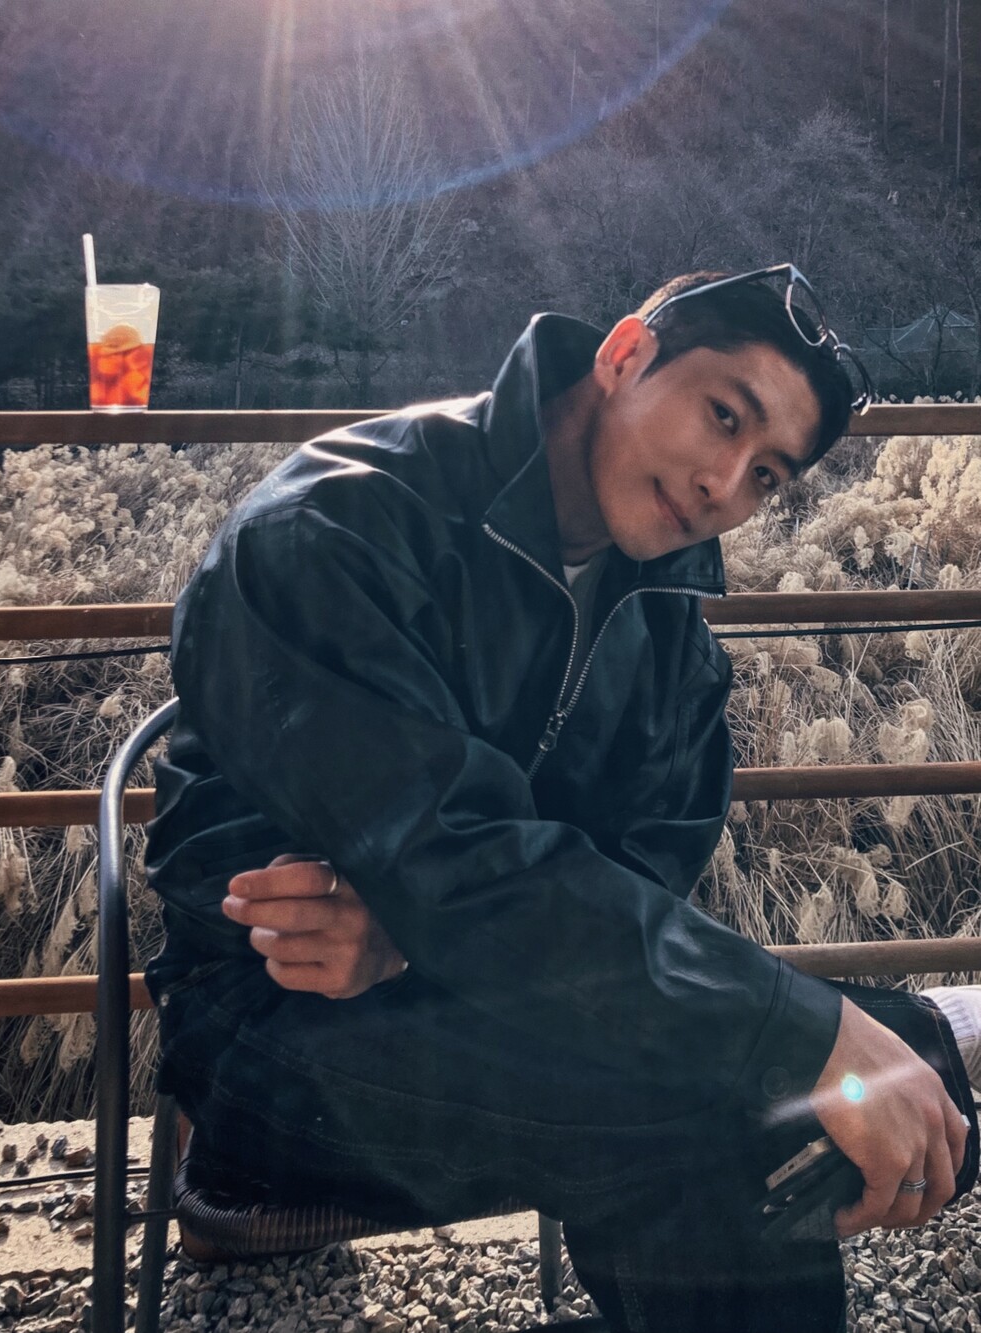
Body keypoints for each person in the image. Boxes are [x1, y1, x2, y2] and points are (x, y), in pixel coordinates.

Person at [145, 265, 980, 1333]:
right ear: (626, 353)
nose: (724, 483)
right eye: (725, 416)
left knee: (786, 1085)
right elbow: (458, 863)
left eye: (766, 475)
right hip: (270, 1030)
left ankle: (921, 1043)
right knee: (748, 1095)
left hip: (494, 1005)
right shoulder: (336, 526)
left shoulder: (668, 631)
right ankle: (933, 1033)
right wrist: (809, 1030)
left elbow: (633, 886)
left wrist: (415, 931)